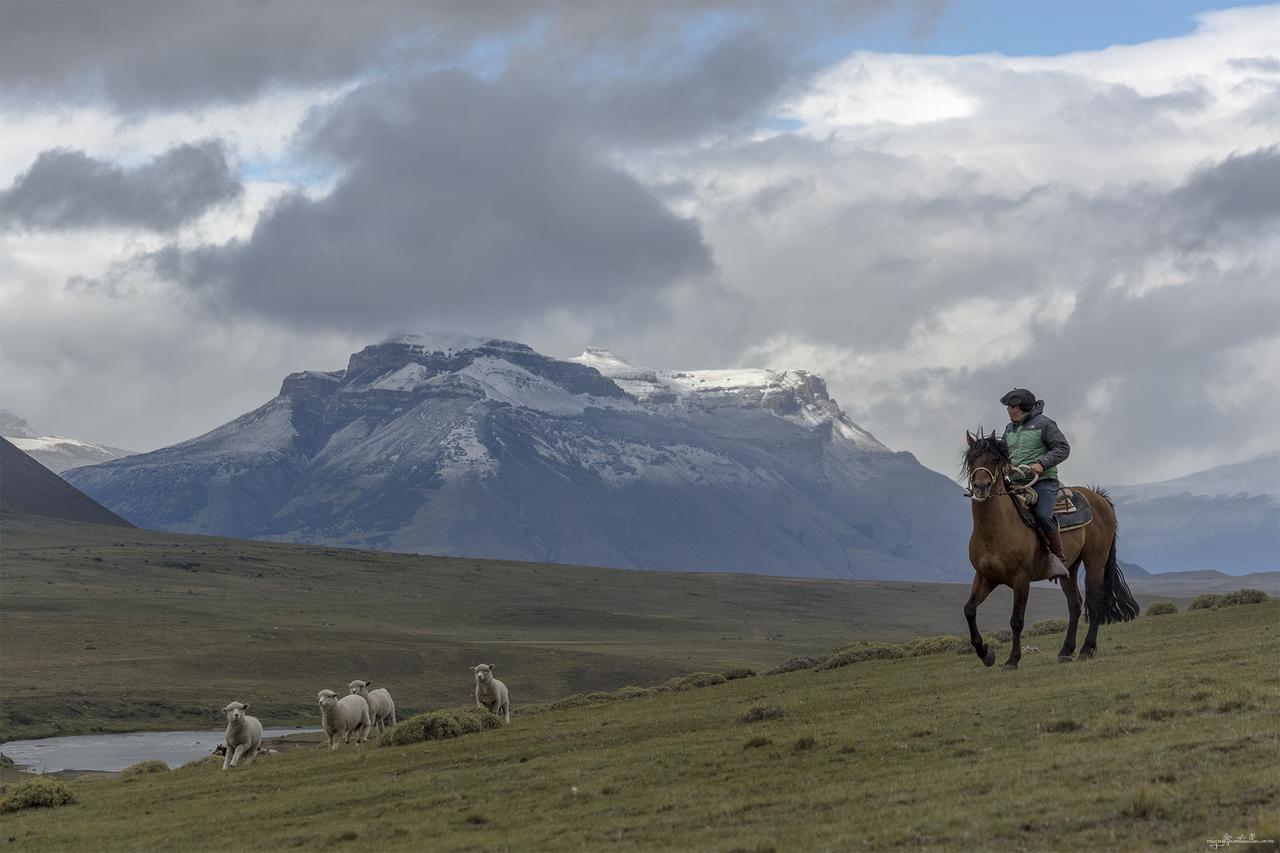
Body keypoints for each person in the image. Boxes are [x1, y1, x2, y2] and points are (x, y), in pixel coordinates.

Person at [1000, 388, 1070, 581]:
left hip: (1043, 481)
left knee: (1042, 515)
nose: (1007, 410)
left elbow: (1063, 448)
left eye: (1010, 406)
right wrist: (1005, 464)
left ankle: (1057, 560)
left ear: (1018, 407)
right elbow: (1004, 452)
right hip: (1015, 482)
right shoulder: (1009, 428)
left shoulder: (1045, 424)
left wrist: (1042, 464)